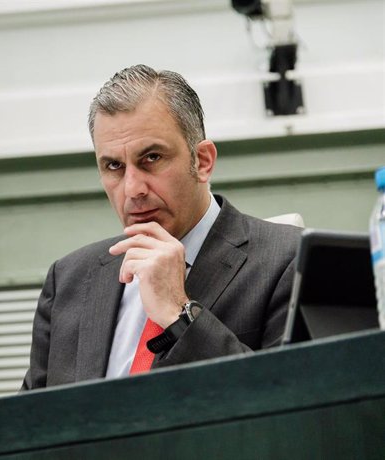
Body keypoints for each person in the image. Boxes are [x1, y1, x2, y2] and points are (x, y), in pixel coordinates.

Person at [21, 65, 301, 390]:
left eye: (152, 158)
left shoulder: (290, 259)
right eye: (114, 166)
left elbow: (289, 405)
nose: (132, 189)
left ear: (203, 161)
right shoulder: (68, 281)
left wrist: (178, 312)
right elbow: (31, 424)